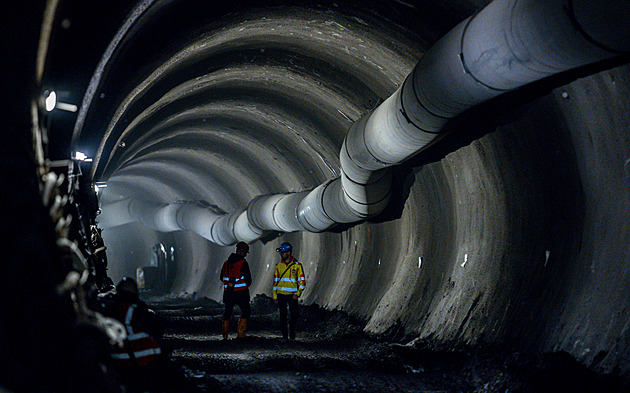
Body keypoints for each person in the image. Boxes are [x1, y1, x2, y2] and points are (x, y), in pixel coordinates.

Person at [106, 277, 164, 391]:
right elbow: (157, 329)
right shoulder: (135, 310)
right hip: (143, 361)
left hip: (116, 363)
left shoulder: (107, 308)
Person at [272, 242, 306, 340]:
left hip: (292, 295)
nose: (281, 255)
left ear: (288, 252)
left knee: (293, 315)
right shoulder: (278, 266)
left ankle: (292, 334)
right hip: (281, 295)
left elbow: (302, 282)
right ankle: (285, 336)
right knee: (283, 316)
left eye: (283, 253)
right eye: (281, 253)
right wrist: (275, 296)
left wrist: (297, 294)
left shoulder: (297, 266)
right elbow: (275, 283)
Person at [220, 241, 253, 339]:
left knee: (227, 312)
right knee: (246, 311)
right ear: (242, 252)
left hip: (228, 292)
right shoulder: (243, 263)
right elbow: (248, 280)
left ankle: (225, 335)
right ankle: (240, 334)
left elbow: (222, 277)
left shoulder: (226, 263)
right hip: (241, 293)